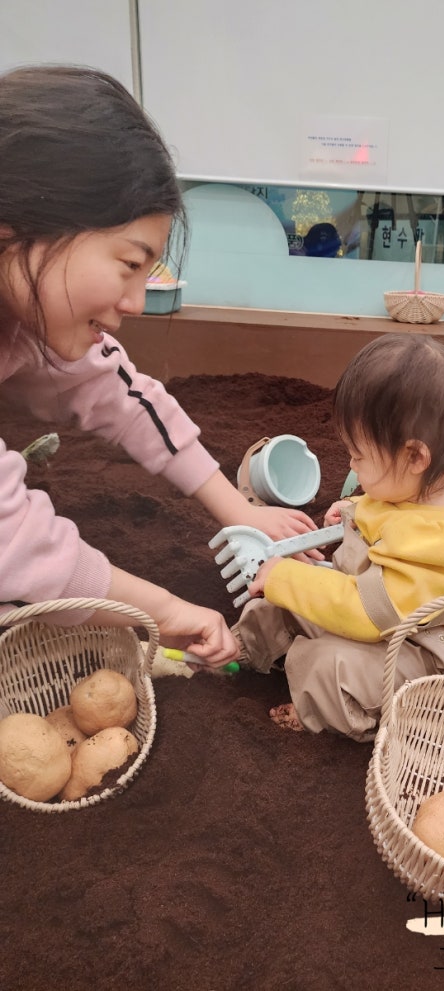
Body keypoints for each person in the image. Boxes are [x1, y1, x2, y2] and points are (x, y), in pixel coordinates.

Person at [0, 64, 317, 667]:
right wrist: (161, 612)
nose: (136, 302)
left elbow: (122, 394)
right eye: (128, 263)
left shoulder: (26, 312)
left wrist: (239, 511)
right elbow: (12, 540)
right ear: (21, 223)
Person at [233, 332, 444, 740]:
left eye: (359, 456)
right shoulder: (432, 479)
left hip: (421, 646)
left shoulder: (433, 542)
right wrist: (355, 510)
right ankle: (241, 649)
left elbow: (367, 613)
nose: (350, 463)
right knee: (279, 606)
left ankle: (321, 712)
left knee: (328, 663)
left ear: (415, 456)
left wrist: (285, 577)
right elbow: (393, 505)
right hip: (386, 606)